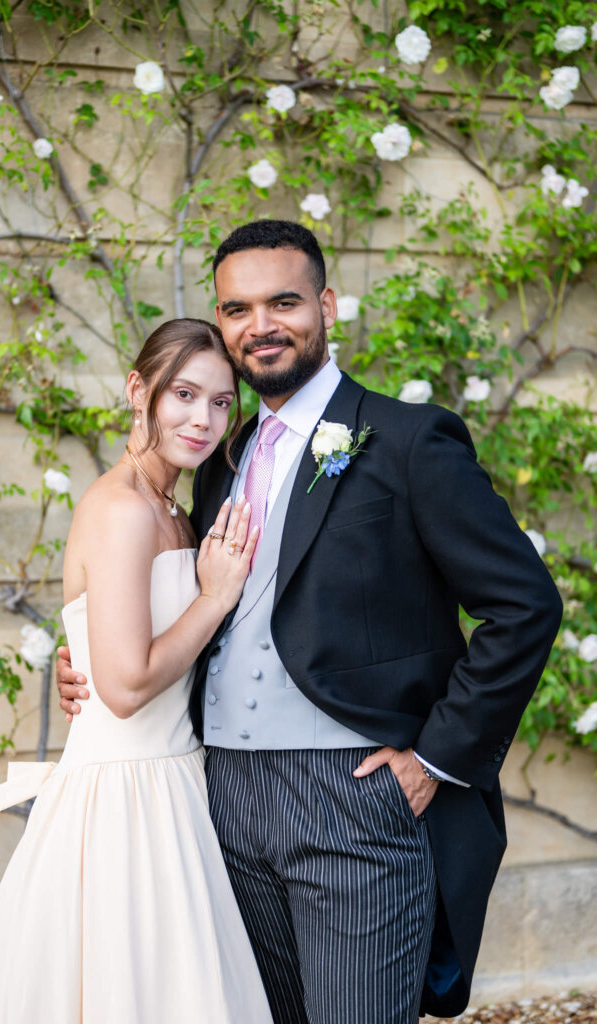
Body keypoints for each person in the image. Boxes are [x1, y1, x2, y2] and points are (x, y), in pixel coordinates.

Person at [58, 221, 563, 1023]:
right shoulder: (216, 464)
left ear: (325, 305)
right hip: (216, 797)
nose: (260, 324)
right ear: (221, 324)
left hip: (352, 797)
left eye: (283, 301)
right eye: (237, 308)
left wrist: (434, 758)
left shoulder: (405, 441)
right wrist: (86, 655)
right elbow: (182, 609)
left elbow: (524, 605)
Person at [0, 318, 273, 1023]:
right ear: (139, 389)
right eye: (183, 394)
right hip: (123, 803)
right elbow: (125, 688)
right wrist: (216, 596)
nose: (203, 419)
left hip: (175, 784)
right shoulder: (121, 509)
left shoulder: (176, 514)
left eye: (221, 402)